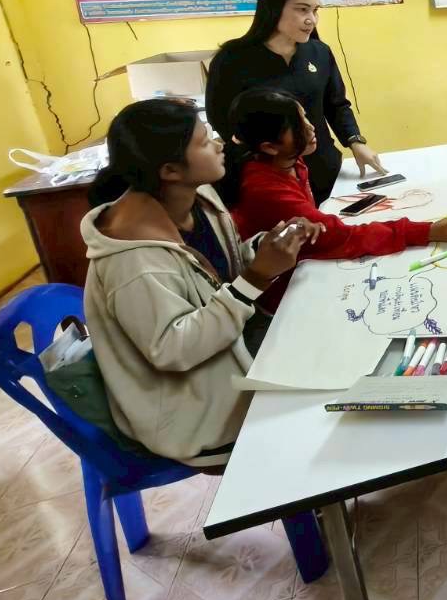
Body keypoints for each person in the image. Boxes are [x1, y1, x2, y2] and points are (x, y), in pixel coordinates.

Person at [80, 99, 320, 465]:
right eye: (205, 141)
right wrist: (255, 278)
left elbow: (213, 274)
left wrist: (266, 247)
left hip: (229, 353)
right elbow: (174, 349)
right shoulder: (133, 260)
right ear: (170, 170)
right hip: (197, 410)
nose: (219, 144)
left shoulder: (198, 197)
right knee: (326, 402)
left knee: (332, 336)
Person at [226, 88, 447, 309]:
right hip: (284, 297)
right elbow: (340, 236)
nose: (311, 128)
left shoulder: (287, 160)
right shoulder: (265, 188)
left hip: (302, 268)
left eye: (306, 117)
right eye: (298, 126)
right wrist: (425, 231)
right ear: (269, 147)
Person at [206, 0, 384, 206]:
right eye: (302, 9)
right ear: (273, 7)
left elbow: (336, 105)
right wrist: (268, 155)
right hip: (270, 178)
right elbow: (222, 120)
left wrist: (355, 142)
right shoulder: (232, 59)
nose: (311, 19)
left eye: (315, 10)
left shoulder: (319, 52)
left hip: (323, 170)